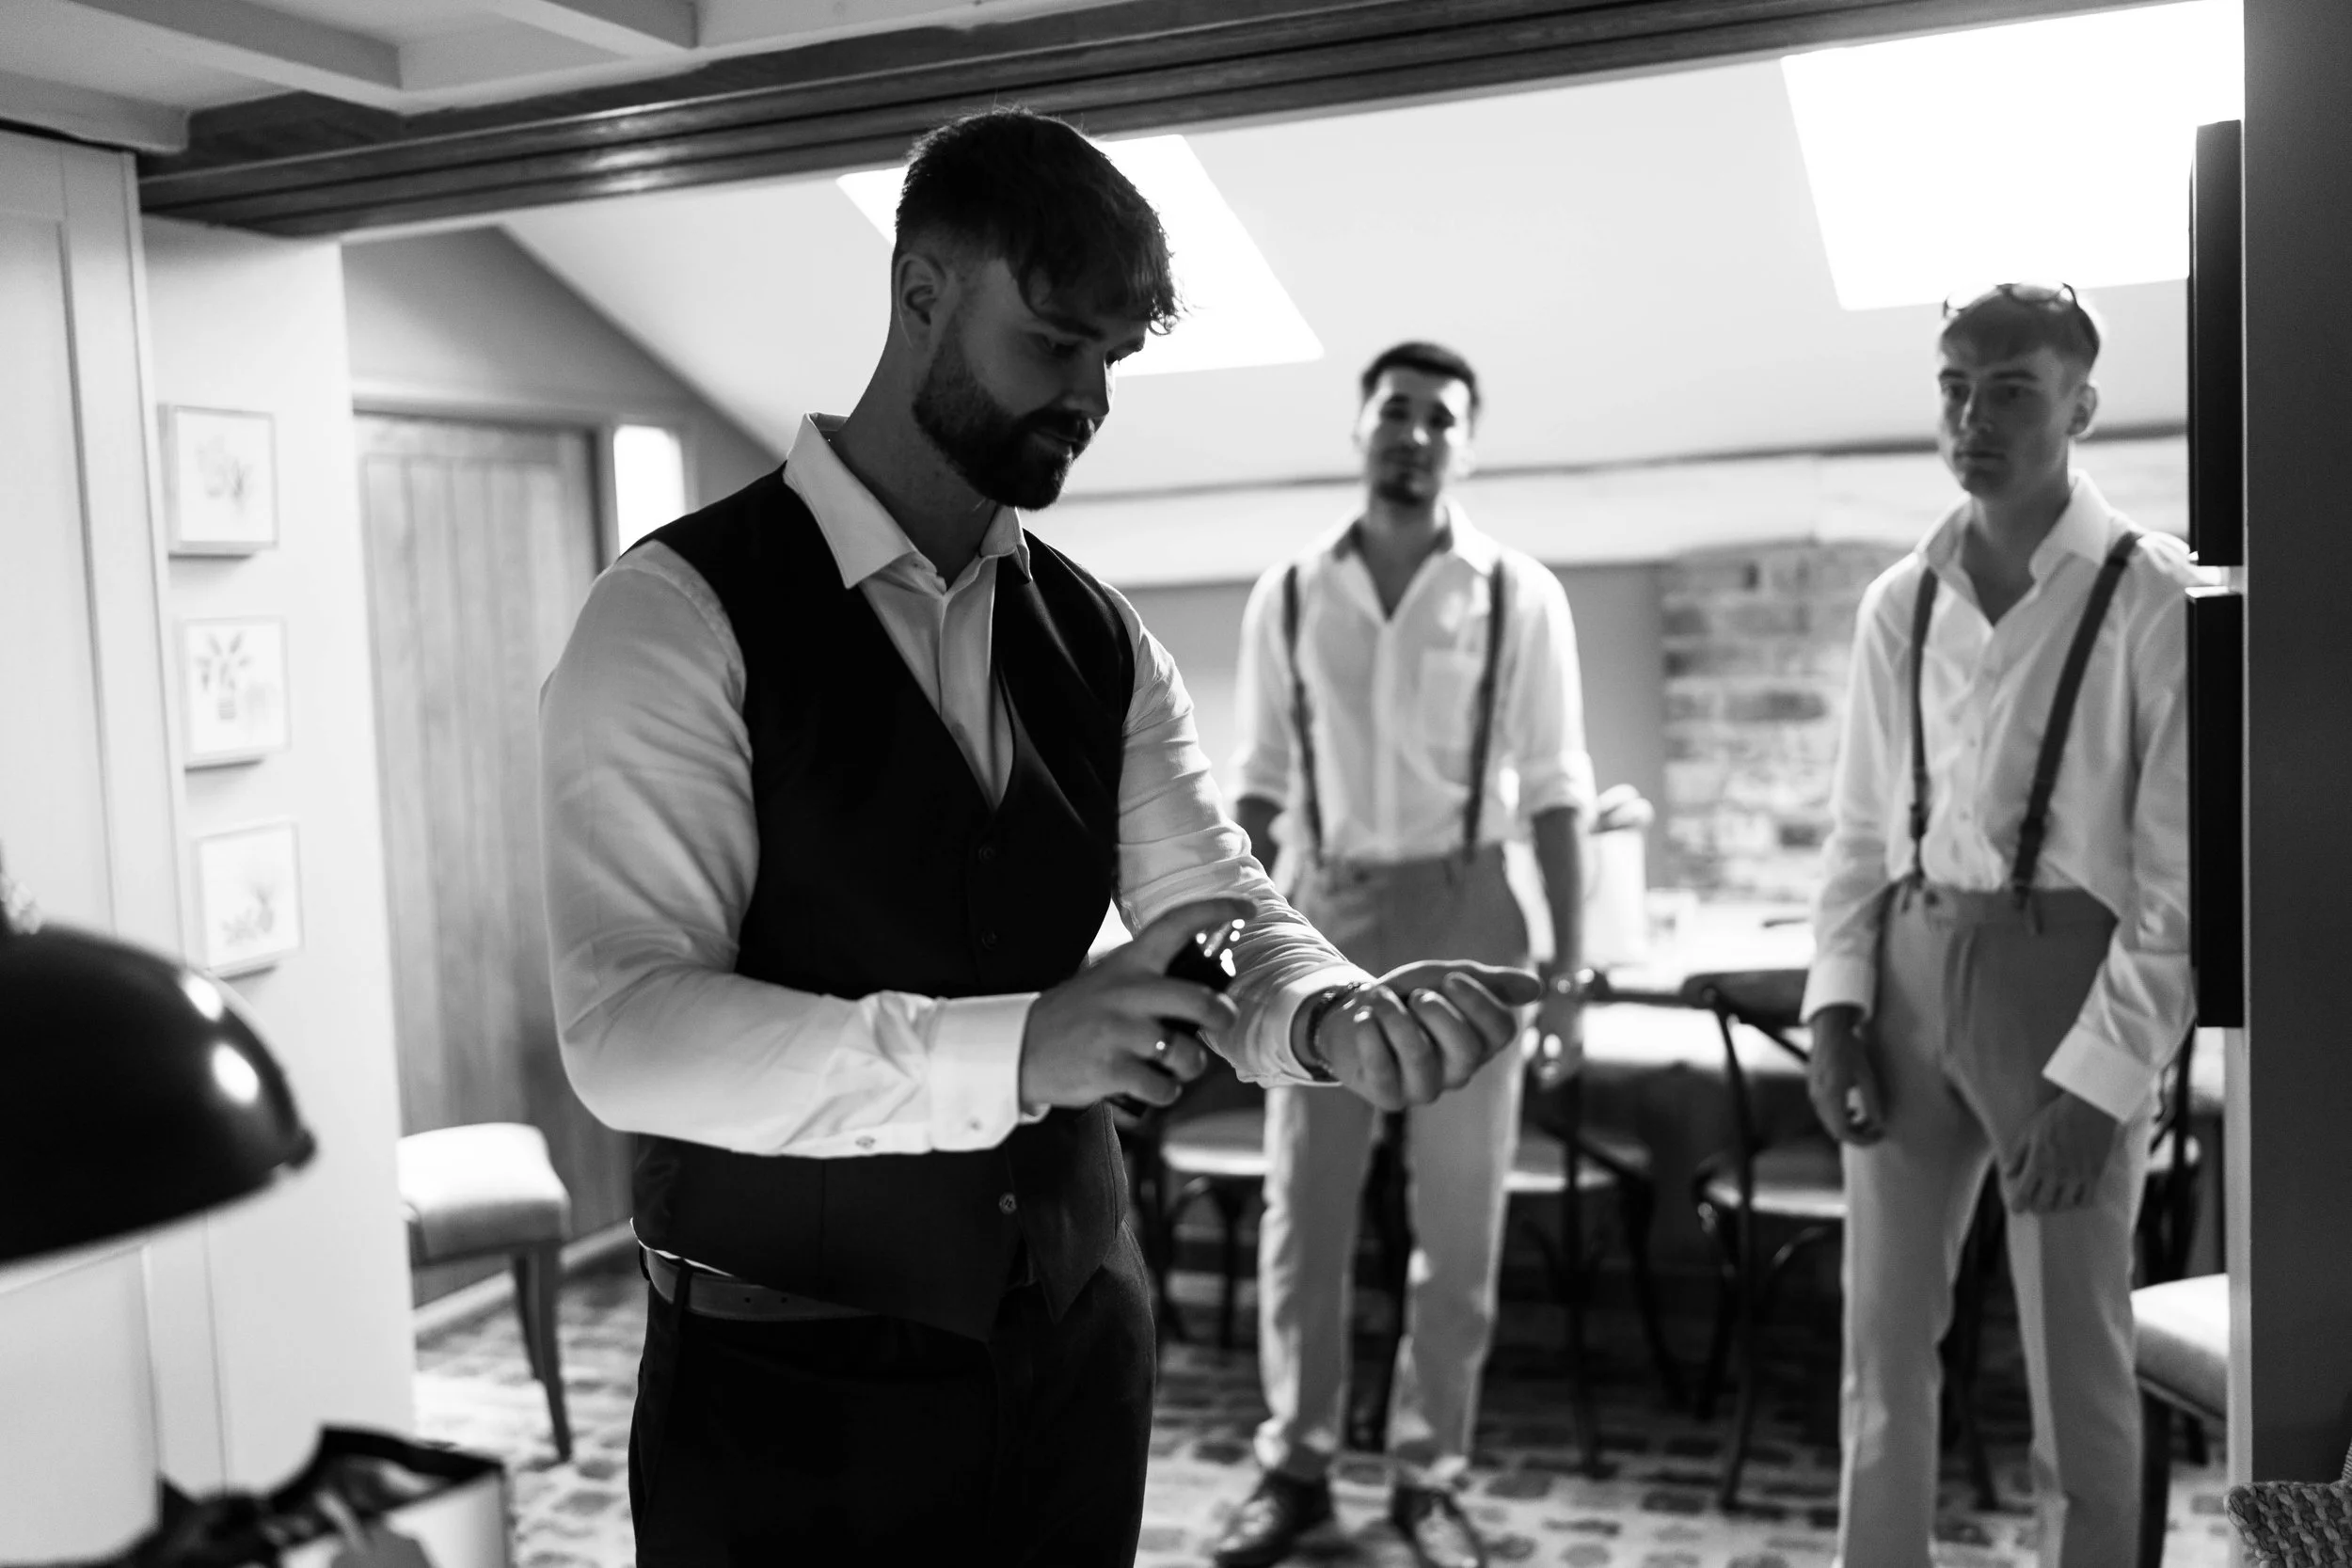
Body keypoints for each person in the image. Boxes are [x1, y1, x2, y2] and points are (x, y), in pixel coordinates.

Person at [537, 109, 1542, 1566]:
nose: (1091, 398)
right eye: (1057, 341)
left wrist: (1329, 1011)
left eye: (1114, 359)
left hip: (1079, 1351)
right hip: (788, 1401)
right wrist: (1016, 1049)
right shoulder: (675, 617)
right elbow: (626, 1031)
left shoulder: (1103, 638)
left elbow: (1216, 896)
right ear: (921, 292)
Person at [1803, 283, 2196, 1567]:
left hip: (2067, 987)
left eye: (2011, 387)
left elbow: (2177, 883)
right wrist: (1835, 1010)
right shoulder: (1895, 603)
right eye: (1954, 385)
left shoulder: (2151, 598)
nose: (1974, 415)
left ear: (2080, 404)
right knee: (1881, 1350)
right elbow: (1860, 832)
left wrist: (2102, 1080)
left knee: (2077, 1363)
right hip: (1907, 978)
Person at [1212, 342, 1597, 1568]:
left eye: (1441, 417)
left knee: (1460, 1218)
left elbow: (1556, 789)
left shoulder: (1518, 592)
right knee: (1303, 1211)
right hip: (1318, 919)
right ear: (1361, 427)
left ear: (1466, 444)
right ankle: (1299, 1462)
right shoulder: (1286, 591)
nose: (1415, 433)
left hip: (1474, 916)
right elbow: (1259, 787)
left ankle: (1431, 1474)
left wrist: (1573, 972)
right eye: (1396, 410)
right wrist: (1220, 954)